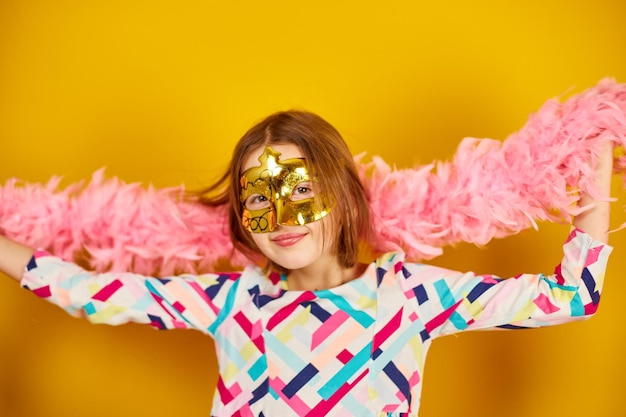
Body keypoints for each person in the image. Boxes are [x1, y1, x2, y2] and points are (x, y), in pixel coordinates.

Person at [0, 110, 614, 416]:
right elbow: (88, 292)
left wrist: (594, 161)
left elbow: (574, 296)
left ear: (342, 193)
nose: (284, 217)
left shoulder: (411, 297)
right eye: (259, 200)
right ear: (243, 218)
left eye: (300, 191)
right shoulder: (231, 301)